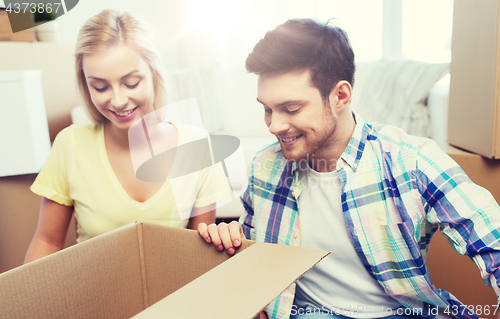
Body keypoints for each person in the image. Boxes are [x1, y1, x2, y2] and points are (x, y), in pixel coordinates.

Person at [198, 19, 500, 319]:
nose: (274, 126)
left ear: (340, 96)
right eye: (267, 109)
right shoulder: (265, 167)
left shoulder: (412, 161)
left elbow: (492, 240)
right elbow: (255, 263)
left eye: (291, 109)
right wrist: (230, 240)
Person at [25, 10, 229, 263]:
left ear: (154, 75)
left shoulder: (196, 146)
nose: (118, 101)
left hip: (172, 295)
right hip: (94, 295)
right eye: (100, 87)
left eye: (131, 83)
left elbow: (200, 251)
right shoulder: (71, 145)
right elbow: (47, 241)